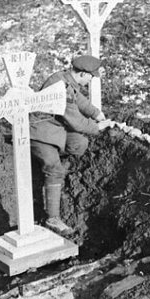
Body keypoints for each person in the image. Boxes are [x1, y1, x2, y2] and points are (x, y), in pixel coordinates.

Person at [29, 54, 111, 233]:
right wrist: (97, 126)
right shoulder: (60, 86)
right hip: (39, 130)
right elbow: (76, 121)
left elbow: (79, 99)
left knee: (79, 143)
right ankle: (53, 218)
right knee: (53, 167)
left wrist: (96, 113)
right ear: (82, 73)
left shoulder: (66, 79)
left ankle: (59, 171)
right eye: (91, 76)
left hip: (56, 127)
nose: (91, 80)